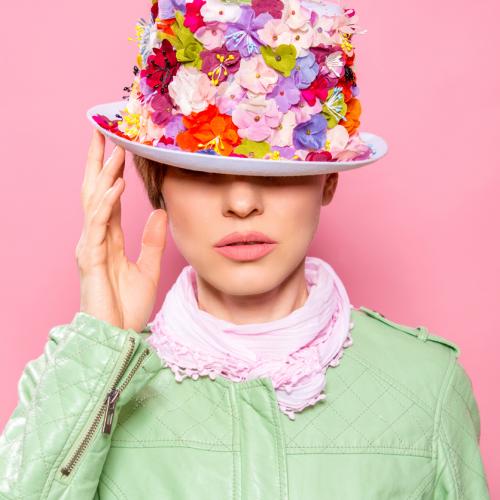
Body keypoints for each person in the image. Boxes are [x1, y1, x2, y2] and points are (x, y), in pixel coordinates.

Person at [0, 0, 490, 497]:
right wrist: (100, 347)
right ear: (158, 184)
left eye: (278, 168)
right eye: (200, 169)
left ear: (326, 179)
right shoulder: (75, 382)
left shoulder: (426, 386)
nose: (240, 202)